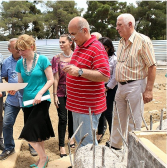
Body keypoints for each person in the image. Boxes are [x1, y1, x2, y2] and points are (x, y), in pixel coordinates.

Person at [110, 13, 156, 150]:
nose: (117, 28)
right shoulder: (121, 41)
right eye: (117, 24)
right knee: (117, 118)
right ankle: (115, 147)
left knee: (134, 120)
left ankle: (133, 149)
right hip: (121, 86)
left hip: (136, 85)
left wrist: (148, 90)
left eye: (119, 25)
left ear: (130, 25)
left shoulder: (143, 40)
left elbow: (152, 66)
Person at [63, 16, 110, 147]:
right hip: (78, 105)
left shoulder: (96, 48)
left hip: (88, 106)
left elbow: (105, 75)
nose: (72, 38)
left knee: (87, 143)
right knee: (80, 140)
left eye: (73, 34)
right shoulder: (80, 46)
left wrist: (79, 72)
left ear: (84, 30)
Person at [15, 34, 54, 168]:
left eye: (23, 50)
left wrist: (40, 93)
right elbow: (20, 83)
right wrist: (13, 89)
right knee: (38, 133)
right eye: (19, 50)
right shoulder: (20, 63)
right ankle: (42, 160)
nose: (20, 53)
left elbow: (51, 80)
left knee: (29, 133)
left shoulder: (43, 60)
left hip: (42, 100)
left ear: (31, 47)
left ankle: (43, 157)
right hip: (27, 102)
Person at [0, 38, 37, 160]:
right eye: (15, 47)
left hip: (27, 98)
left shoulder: (27, 59)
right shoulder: (6, 62)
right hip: (12, 99)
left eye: (20, 47)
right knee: (7, 123)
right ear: (9, 49)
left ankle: (33, 145)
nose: (19, 49)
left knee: (30, 123)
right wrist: (12, 86)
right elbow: (5, 76)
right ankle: (9, 147)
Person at [51, 34, 75, 158]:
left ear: (70, 43)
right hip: (60, 92)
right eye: (59, 42)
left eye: (63, 42)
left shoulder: (77, 56)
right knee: (63, 119)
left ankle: (71, 138)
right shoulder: (56, 58)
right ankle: (61, 145)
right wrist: (54, 95)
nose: (60, 44)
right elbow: (55, 78)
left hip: (74, 92)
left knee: (72, 117)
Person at [96, 37, 117, 143]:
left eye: (103, 48)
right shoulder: (97, 57)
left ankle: (113, 136)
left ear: (109, 48)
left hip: (110, 88)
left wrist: (107, 87)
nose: (101, 50)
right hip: (99, 87)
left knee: (108, 112)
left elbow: (115, 77)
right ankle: (100, 132)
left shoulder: (114, 59)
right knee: (99, 111)